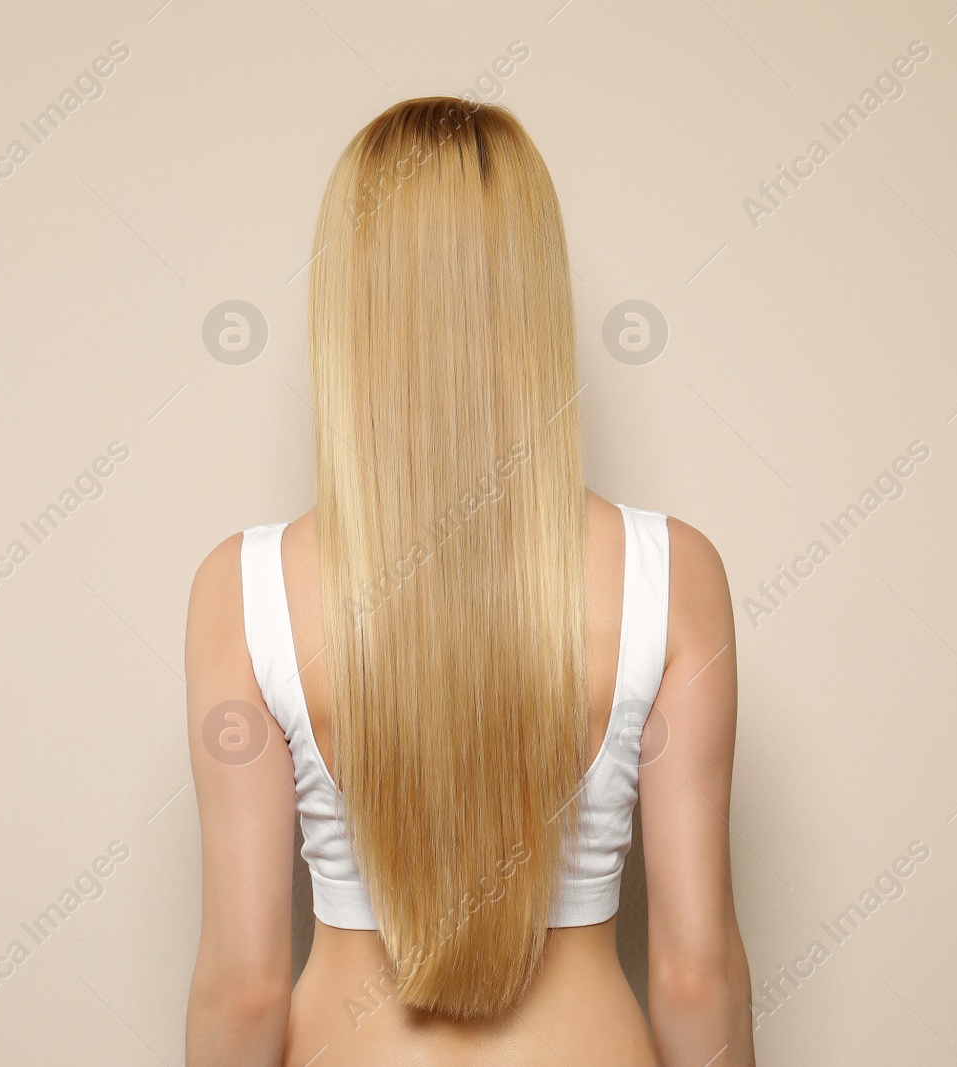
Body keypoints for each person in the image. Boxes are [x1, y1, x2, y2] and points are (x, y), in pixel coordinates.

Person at [185, 96, 753, 1066]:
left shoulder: (242, 587)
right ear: (533, 288)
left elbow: (242, 988)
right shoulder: (672, 573)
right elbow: (693, 970)